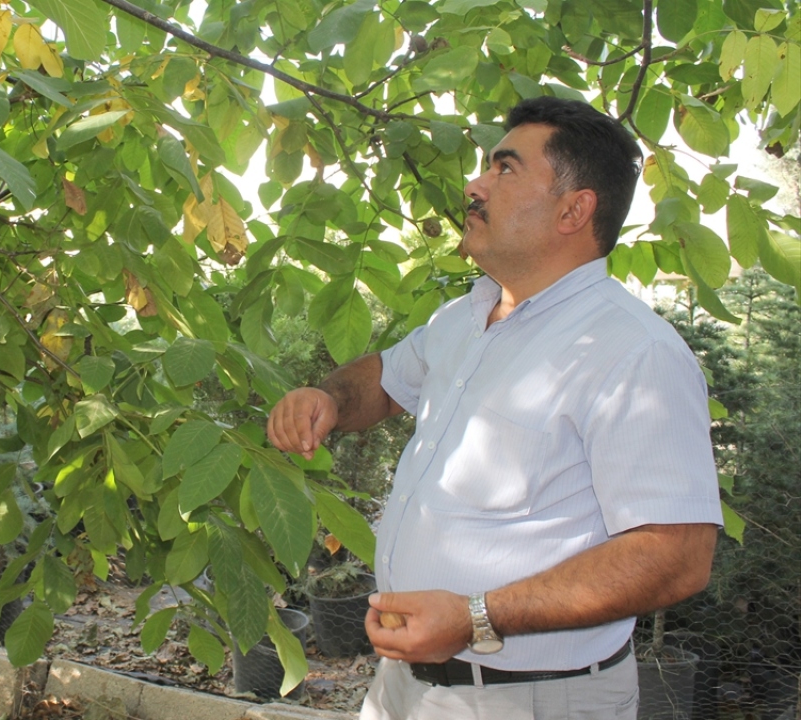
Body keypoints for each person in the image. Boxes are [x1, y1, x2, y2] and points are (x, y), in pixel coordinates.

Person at [266, 96, 722, 719]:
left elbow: (677, 555)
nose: (474, 185)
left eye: (504, 169)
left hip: (530, 700)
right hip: (403, 684)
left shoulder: (632, 352)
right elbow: (386, 380)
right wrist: (327, 398)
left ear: (574, 209)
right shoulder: (468, 315)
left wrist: (476, 616)